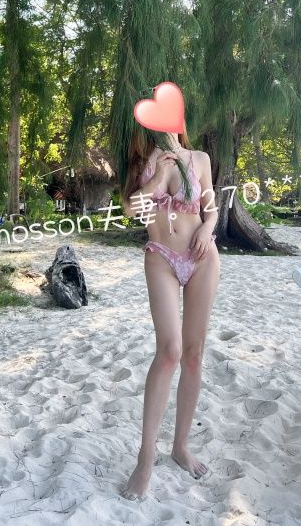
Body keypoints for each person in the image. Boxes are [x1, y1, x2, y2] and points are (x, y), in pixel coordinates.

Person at [119, 122, 220, 500]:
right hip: (161, 256)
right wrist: (159, 177)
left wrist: (207, 229)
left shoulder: (199, 158)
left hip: (202, 258)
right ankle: (146, 457)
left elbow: (210, 209)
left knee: (193, 354)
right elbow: (130, 209)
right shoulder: (141, 162)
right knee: (169, 351)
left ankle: (180, 446)